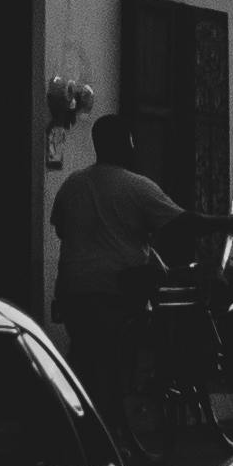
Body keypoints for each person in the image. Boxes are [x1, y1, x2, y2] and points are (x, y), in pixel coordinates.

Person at [50, 110, 190, 436]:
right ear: (122, 145)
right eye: (130, 141)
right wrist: (223, 223)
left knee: (85, 357)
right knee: (117, 360)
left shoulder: (73, 184)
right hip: (112, 293)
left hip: (73, 293)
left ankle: (76, 427)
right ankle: (115, 430)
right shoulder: (136, 187)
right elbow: (182, 221)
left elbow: (62, 229)